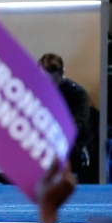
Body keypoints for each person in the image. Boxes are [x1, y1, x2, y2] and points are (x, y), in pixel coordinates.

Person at [39, 53, 94, 182]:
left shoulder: (77, 94)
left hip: (72, 148)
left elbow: (80, 128)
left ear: (62, 74)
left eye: (53, 82)